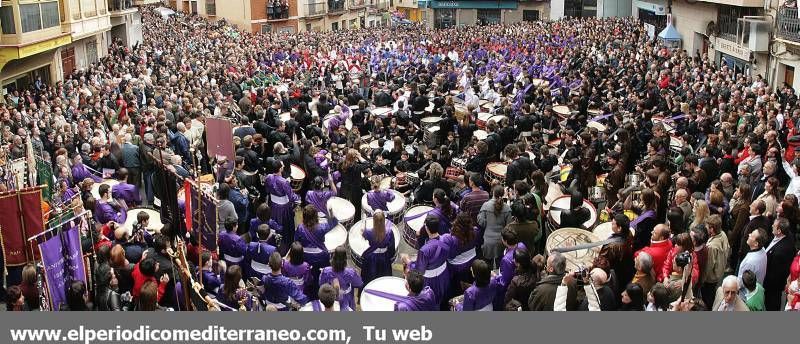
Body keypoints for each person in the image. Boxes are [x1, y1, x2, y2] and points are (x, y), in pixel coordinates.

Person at [404, 216, 451, 306]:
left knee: (432, 298)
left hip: (431, 280)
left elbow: (419, 271)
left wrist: (409, 262)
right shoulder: (447, 238)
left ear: (426, 228)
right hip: (444, 274)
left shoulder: (425, 250)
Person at [295, 204, 339, 276]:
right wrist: (331, 212)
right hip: (321, 257)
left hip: (305, 256)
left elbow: (296, 242)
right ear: (315, 216)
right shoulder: (321, 228)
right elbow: (334, 223)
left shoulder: (300, 228)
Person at [265, 160, 301, 244]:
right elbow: (292, 197)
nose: (284, 166)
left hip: (273, 205)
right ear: (280, 169)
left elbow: (267, 189)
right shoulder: (284, 182)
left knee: (274, 222)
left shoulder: (268, 177)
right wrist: (298, 197)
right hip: (284, 208)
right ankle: (286, 241)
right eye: (282, 165)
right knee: (286, 226)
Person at [764, 217, 795, 311]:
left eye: (774, 225)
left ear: (779, 231)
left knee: (772, 306)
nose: (772, 225)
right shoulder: (787, 234)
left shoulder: (780, 252)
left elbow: (774, 276)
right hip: (775, 283)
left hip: (772, 287)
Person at [319, 247, 363, 311]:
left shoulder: (326, 271)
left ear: (333, 257)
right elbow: (359, 283)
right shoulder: (351, 272)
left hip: (330, 298)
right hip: (347, 298)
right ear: (345, 259)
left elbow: (321, 284)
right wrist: (356, 274)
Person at [701, 214, 731, 309]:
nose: (706, 228)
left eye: (707, 226)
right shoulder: (723, 234)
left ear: (712, 229)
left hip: (710, 279)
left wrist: (702, 279)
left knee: (708, 298)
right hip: (720, 273)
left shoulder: (712, 247)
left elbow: (709, 266)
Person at [478, 185, 512, 267]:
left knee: (487, 265)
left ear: (493, 193)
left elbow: (481, 222)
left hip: (488, 240)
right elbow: (508, 227)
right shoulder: (507, 208)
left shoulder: (485, 205)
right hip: (501, 241)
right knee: (500, 265)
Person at [360, 210, 396, 283]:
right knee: (383, 278)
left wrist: (364, 223)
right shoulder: (389, 232)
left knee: (369, 277)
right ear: (384, 220)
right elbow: (392, 249)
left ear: (374, 221)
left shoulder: (368, 232)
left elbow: (362, 232)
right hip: (384, 258)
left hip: (371, 258)